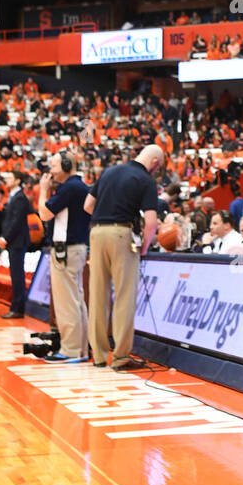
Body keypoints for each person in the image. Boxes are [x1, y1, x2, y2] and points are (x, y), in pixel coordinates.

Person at [84, 144, 163, 371]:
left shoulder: (109, 171)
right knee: (124, 297)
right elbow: (150, 223)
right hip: (121, 233)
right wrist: (145, 247)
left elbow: (88, 205)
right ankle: (120, 357)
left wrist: (106, 213)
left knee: (97, 296)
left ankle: (98, 356)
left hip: (97, 232)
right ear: (155, 163)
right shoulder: (145, 180)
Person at [37, 152, 91, 362]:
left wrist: (43, 191)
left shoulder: (70, 188)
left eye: (54, 166)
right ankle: (81, 349)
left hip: (65, 250)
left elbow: (45, 213)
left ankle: (70, 350)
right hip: (75, 248)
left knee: (66, 302)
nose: (50, 171)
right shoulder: (78, 186)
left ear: (67, 166)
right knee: (76, 300)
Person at [0, 172, 30, 319]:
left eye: (10, 178)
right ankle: (16, 306)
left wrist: (6, 238)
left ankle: (18, 308)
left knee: (17, 275)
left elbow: (16, 222)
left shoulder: (20, 198)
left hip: (17, 242)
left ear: (17, 181)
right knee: (15, 274)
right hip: (14, 242)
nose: (7, 180)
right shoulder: (14, 197)